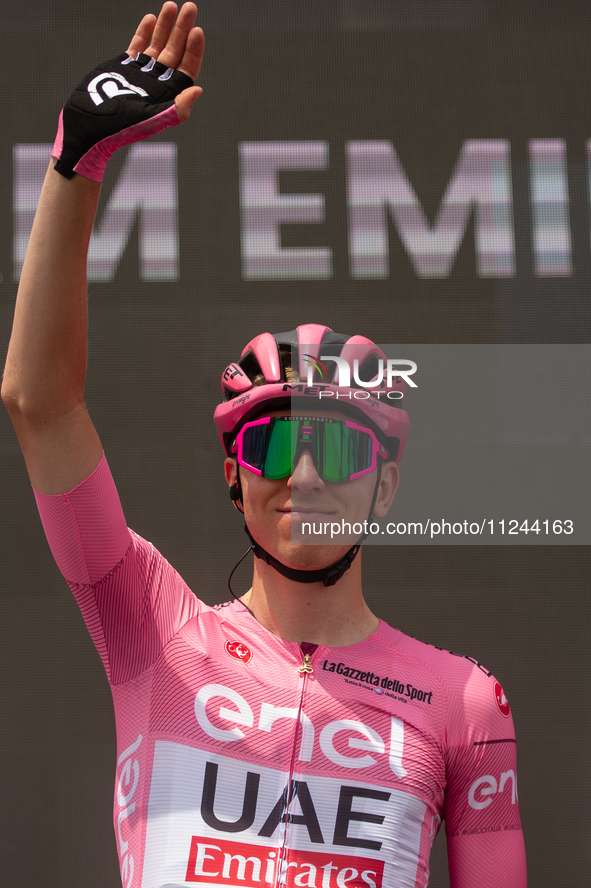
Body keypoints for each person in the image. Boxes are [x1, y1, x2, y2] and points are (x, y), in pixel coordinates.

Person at [1, 4, 527, 887]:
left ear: (385, 488)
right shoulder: (149, 630)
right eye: (275, 447)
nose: (308, 475)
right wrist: (76, 162)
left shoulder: (463, 702)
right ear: (232, 477)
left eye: (342, 451)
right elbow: (39, 402)